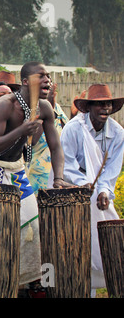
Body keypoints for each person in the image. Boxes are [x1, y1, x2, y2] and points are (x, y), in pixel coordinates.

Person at [0, 61, 71, 297]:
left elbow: (56, 147)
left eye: (48, 76)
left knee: (33, 226)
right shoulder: (5, 105)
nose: (47, 80)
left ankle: (30, 284)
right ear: (24, 82)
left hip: (18, 169)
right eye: (40, 76)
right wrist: (21, 131)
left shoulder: (44, 107)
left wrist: (59, 177)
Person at [60, 84, 124, 296]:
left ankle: (101, 284)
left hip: (97, 191)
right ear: (88, 107)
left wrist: (104, 191)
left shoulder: (117, 133)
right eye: (100, 105)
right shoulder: (73, 128)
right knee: (74, 243)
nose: (105, 108)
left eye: (108, 104)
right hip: (71, 188)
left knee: (105, 235)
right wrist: (82, 184)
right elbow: (66, 164)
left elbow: (111, 171)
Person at [26, 80, 69, 194]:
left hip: (56, 169)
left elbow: (65, 133)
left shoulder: (57, 108)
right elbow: (33, 140)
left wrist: (53, 108)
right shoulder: (32, 109)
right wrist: (44, 114)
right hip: (38, 173)